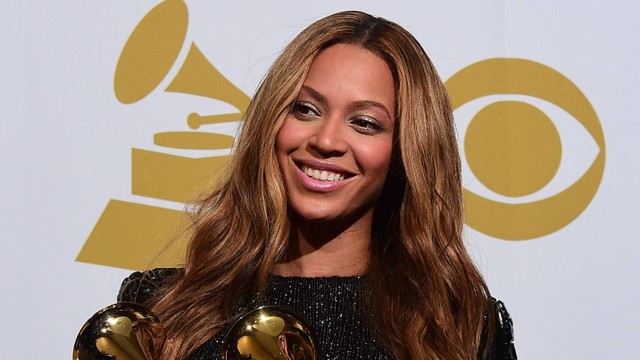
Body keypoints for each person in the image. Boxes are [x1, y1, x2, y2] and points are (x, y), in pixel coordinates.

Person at [117, 10, 516, 360]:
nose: (325, 141)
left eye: (364, 122)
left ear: (405, 152)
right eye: (305, 109)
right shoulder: (158, 307)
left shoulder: (460, 328)